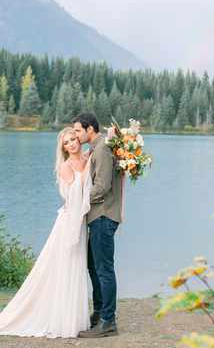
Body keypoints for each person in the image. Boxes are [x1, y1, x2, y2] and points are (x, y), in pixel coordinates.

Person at [0, 128, 92, 348]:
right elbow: (76, 192)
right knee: (65, 267)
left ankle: (74, 318)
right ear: (62, 147)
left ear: (79, 139)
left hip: (80, 223)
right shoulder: (66, 166)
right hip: (68, 224)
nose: (71, 144)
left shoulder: (87, 157)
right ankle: (63, 321)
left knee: (77, 267)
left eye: (73, 139)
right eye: (66, 142)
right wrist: (88, 166)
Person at [72, 112, 123, 338]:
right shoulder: (98, 147)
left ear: (89, 129)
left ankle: (108, 322)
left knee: (104, 270)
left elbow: (101, 187)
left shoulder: (102, 149)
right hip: (97, 215)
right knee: (94, 268)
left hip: (103, 215)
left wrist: (77, 199)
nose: (75, 135)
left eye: (78, 131)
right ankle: (99, 313)